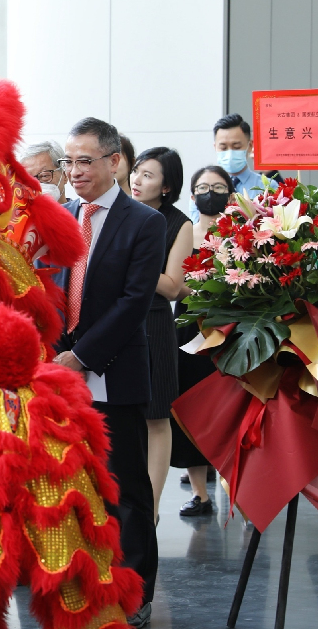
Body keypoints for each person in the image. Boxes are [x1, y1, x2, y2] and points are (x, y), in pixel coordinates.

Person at [52, 117, 164, 626]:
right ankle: (84, 584)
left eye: (85, 161)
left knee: (126, 489)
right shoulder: (60, 217)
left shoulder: (144, 222)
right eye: (68, 162)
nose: (74, 171)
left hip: (112, 371)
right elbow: (52, 289)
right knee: (73, 486)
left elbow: (134, 302)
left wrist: (83, 357)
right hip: (60, 372)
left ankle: (136, 592)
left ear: (114, 161)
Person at [129, 148, 194, 524]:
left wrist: (129, 264)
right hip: (119, 320)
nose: (137, 180)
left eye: (148, 175)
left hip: (154, 323)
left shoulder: (178, 224)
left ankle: (151, 509)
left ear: (166, 187)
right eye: (137, 171)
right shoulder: (123, 212)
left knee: (157, 417)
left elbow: (171, 287)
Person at [171, 165, 234, 515]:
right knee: (192, 405)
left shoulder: (241, 236)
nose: (211, 193)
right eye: (204, 187)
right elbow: (174, 282)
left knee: (230, 406)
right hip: (189, 326)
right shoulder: (185, 234)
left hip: (231, 328)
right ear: (193, 196)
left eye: (219, 187)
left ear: (231, 195)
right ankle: (200, 493)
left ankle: (237, 490)